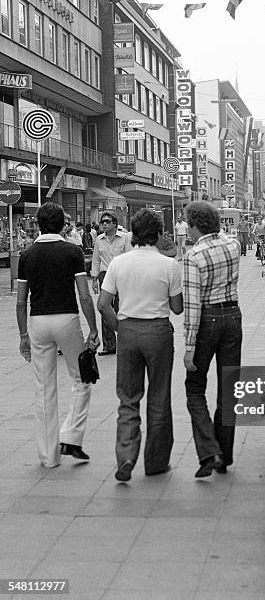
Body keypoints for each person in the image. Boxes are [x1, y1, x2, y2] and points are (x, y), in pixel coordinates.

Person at [98, 209, 183, 483]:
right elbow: (177, 308)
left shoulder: (118, 263)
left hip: (128, 330)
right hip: (157, 331)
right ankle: (156, 462)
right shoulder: (169, 265)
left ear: (133, 234)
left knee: (127, 398)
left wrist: (120, 328)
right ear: (158, 234)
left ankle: (125, 457)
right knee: (159, 397)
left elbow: (103, 304)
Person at [16, 202, 100, 468]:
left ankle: (48, 456)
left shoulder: (27, 254)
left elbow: (20, 301)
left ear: (39, 224)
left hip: (38, 321)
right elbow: (84, 296)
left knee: (43, 388)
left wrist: (22, 335)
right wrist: (94, 328)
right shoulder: (72, 251)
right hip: (67, 318)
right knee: (82, 379)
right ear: (63, 224)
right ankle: (71, 434)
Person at [183, 201, 242, 478]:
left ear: (196, 226)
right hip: (233, 316)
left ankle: (209, 451)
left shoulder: (193, 256)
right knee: (228, 388)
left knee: (195, 387)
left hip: (207, 320)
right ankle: (226, 455)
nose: (187, 232)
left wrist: (189, 346)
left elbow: (192, 305)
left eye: (188, 227)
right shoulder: (234, 245)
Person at [91, 211, 131, 356]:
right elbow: (96, 260)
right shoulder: (99, 240)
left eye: (108, 221)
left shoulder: (125, 238)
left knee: (121, 308)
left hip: (121, 275)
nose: (105, 224)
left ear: (115, 223)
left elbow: (129, 257)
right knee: (105, 308)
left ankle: (124, 342)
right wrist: (94, 279)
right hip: (105, 275)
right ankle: (109, 345)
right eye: (103, 222)